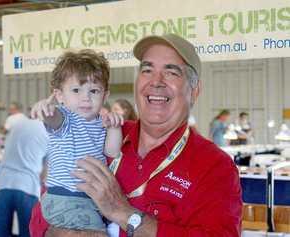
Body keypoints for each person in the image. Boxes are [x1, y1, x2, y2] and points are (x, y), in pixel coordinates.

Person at [30, 34, 242, 237]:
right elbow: (40, 213)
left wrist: (124, 213)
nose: (156, 81)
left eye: (172, 72)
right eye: (147, 70)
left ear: (194, 91)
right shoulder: (103, 133)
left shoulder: (214, 166)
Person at [30, 50, 123, 232]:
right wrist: (46, 110)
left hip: (89, 199)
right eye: (76, 90)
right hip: (65, 199)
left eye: (94, 91)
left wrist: (114, 127)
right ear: (60, 96)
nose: (85, 97)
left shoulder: (99, 122)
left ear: (104, 96)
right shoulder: (66, 118)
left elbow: (112, 152)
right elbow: (53, 119)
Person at [0, 117, 48, 237]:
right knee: (29, 233)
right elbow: (46, 174)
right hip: (28, 187)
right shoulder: (50, 132)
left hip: (3, 184)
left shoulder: (18, 124)